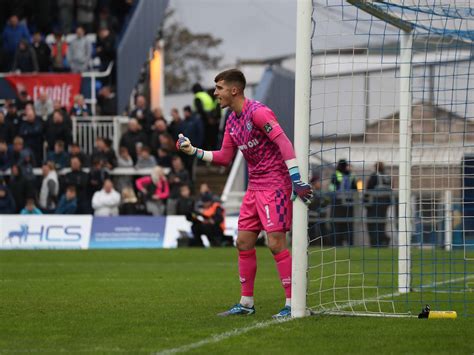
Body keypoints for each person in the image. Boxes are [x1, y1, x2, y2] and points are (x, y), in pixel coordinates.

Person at [177, 69, 312, 318]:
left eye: (219, 88)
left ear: (234, 90)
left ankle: (294, 303)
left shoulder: (258, 112)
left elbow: (284, 142)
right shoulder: (231, 120)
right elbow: (224, 157)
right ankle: (246, 303)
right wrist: (194, 151)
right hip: (254, 187)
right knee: (243, 242)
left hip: (275, 185)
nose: (215, 93)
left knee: (275, 243)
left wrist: (296, 179)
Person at [328, 159, 358, 246]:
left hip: (337, 204)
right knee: (349, 225)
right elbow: (355, 189)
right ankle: (350, 244)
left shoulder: (335, 175)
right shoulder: (352, 175)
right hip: (349, 204)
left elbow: (331, 189)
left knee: (336, 225)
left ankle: (337, 244)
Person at [365, 162, 392, 247]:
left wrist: (365, 203)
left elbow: (368, 189)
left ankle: (375, 243)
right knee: (381, 224)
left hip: (375, 204)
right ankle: (383, 241)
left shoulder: (374, 176)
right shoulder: (387, 176)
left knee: (372, 224)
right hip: (385, 204)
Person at [308, 176, 330, 246]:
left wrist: (323, 201)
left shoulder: (321, 193)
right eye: (319, 182)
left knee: (323, 231)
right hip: (311, 216)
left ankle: (325, 244)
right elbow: (311, 204)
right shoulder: (310, 192)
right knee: (312, 232)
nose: (320, 183)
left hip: (321, 216)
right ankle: (312, 244)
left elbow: (327, 201)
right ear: (314, 183)